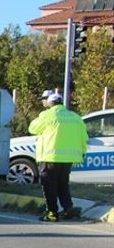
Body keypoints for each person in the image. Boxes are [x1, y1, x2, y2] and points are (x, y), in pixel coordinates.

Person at [29, 89, 88, 222]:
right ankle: (68, 209)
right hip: (68, 159)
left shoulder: (47, 116)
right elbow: (84, 138)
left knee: (49, 186)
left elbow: (32, 128)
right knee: (63, 185)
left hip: (50, 157)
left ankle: (52, 213)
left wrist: (41, 116)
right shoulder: (75, 117)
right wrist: (82, 153)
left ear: (50, 104)